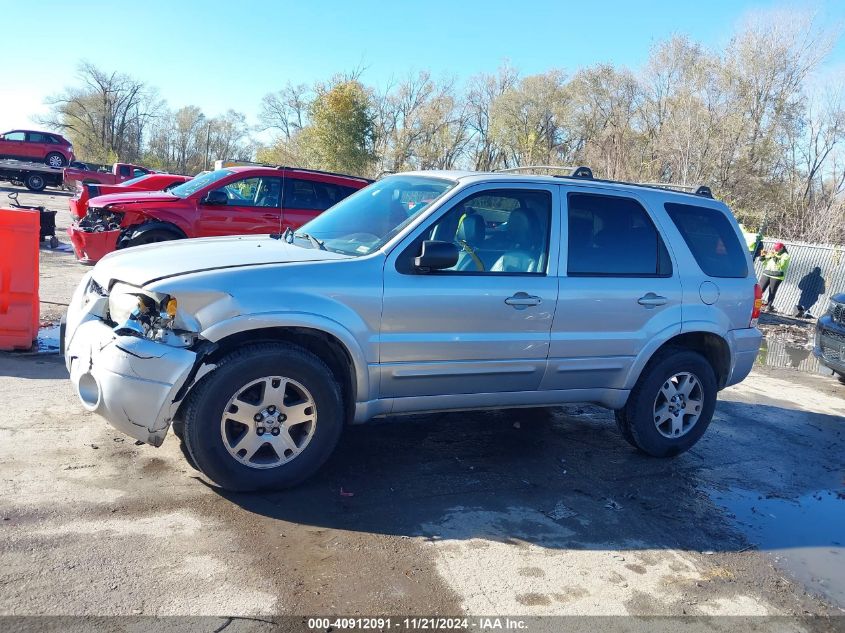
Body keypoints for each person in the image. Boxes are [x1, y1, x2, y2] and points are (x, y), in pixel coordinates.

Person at [759, 242, 791, 312]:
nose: (775, 250)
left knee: (772, 291)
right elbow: (765, 262)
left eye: (777, 249)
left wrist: (775, 257)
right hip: (767, 273)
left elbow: (781, 265)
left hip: (777, 275)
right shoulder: (773, 252)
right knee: (759, 290)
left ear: (782, 248)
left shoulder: (786, 256)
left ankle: (768, 306)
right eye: (775, 249)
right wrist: (763, 256)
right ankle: (755, 305)